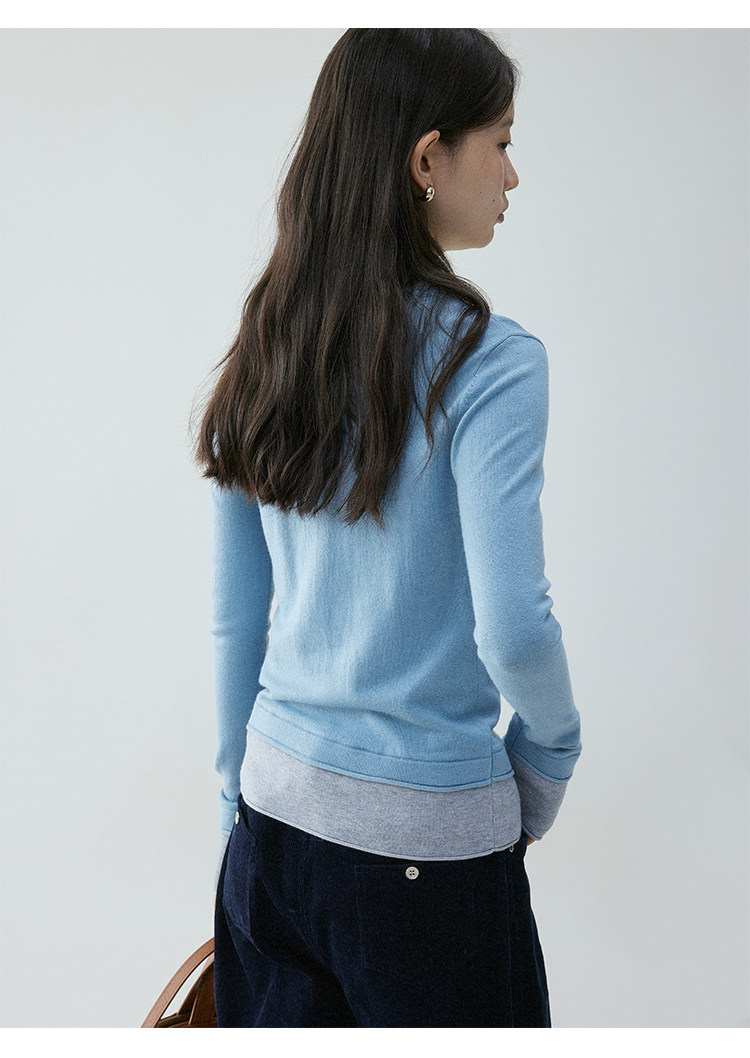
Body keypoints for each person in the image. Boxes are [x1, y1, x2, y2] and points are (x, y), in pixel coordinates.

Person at [194, 27, 582, 1028]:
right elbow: (517, 627)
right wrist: (550, 755)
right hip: (428, 855)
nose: (512, 174)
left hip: (272, 827)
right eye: (501, 141)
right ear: (426, 159)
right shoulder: (491, 364)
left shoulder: (268, 341)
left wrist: (242, 801)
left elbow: (236, 617)